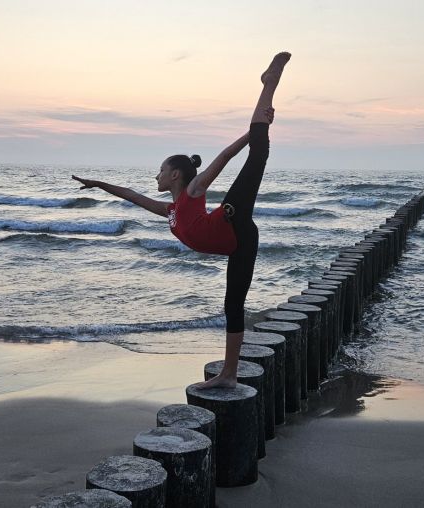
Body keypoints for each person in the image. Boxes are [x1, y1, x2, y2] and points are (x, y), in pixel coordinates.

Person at [72, 52, 291, 388]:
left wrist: (251, 133)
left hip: (233, 218)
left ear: (175, 174)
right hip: (241, 245)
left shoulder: (193, 189)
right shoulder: (170, 211)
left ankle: (268, 84)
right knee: (233, 305)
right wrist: (99, 184)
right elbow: (131, 194)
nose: (156, 175)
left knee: (258, 153)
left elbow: (224, 157)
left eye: (161, 170)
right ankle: (229, 375)